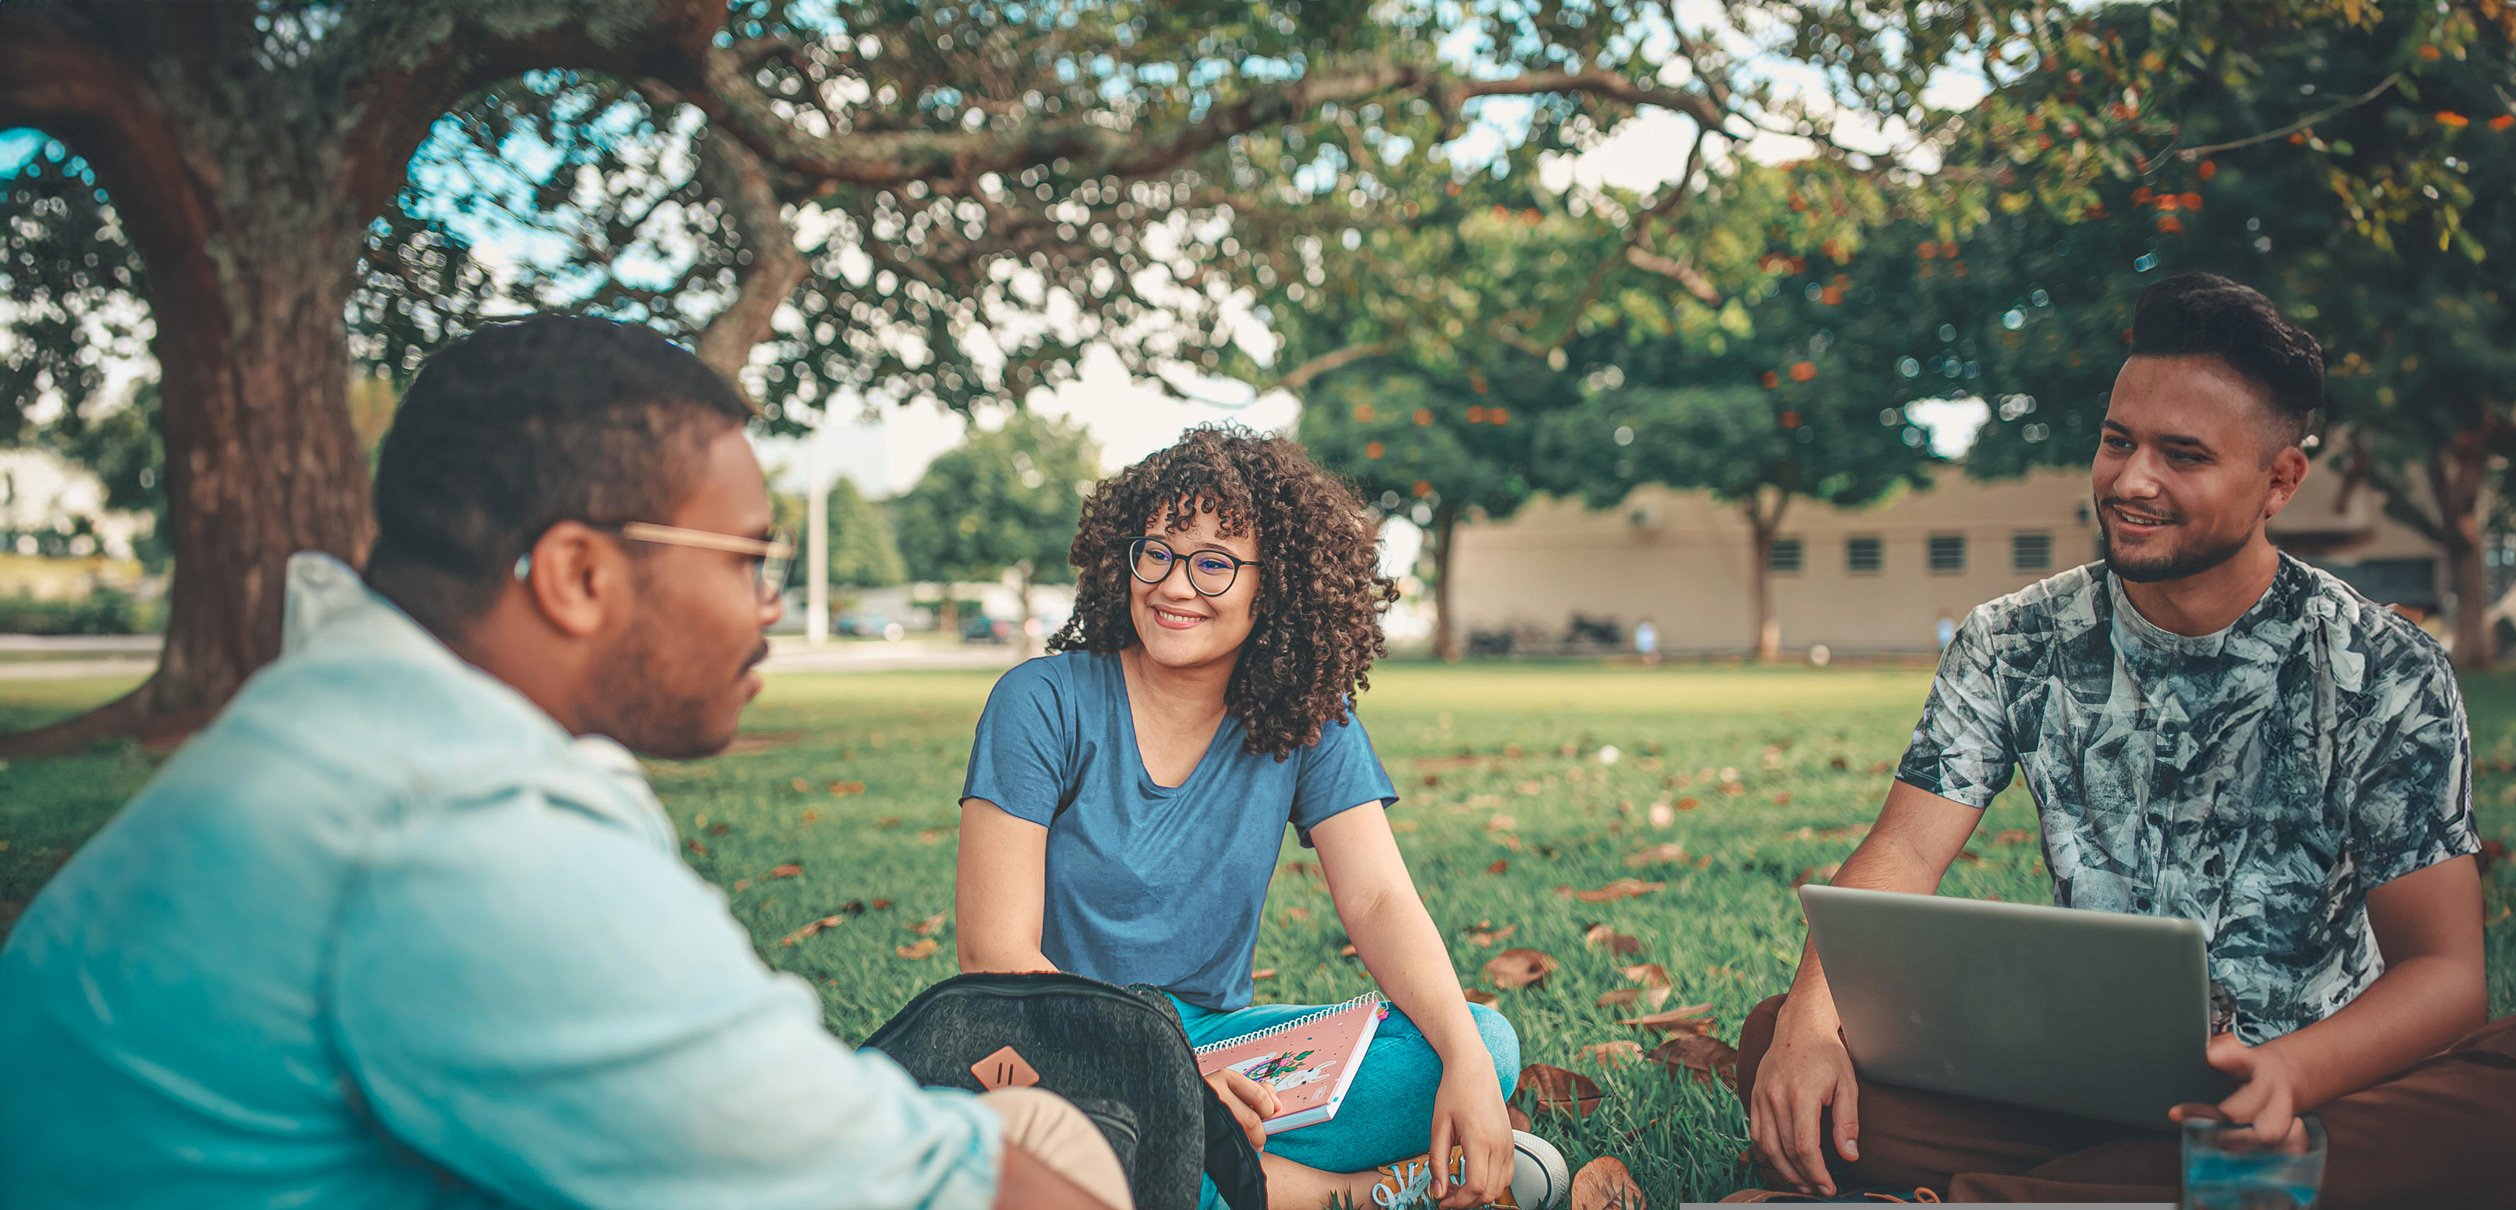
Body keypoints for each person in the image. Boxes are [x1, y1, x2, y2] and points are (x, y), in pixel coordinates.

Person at [0, 317, 1127, 1210]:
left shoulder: (342, 717)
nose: (770, 603)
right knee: (1038, 1151)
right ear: (579, 575)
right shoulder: (461, 830)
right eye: (746, 556)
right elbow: (954, 1191)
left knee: (1023, 1122)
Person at [1736, 273, 2516, 1204]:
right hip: (2085, 1081)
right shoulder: (2015, 640)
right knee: (1783, 1045)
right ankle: (2182, 1191)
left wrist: (2291, 1076)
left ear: (2280, 480)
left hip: (2319, 1086)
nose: (2130, 481)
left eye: (2182, 455)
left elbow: (2445, 973)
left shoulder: (2386, 667)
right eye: (2119, 441)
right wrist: (1807, 1026)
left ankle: (2013, 1196)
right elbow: (1906, 849)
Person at [953, 428, 1561, 1210]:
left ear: (1272, 586)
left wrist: (1468, 1065)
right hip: (1061, 1048)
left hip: (1220, 1048)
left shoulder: (1309, 718)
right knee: (1053, 1144)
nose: (1175, 586)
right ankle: (1355, 1194)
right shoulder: (1040, 703)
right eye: (1158, 552)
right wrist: (1170, 1085)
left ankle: (1194, 1176)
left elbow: (1377, 899)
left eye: (1213, 562)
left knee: (1481, 1041)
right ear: (1122, 557)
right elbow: (993, 955)